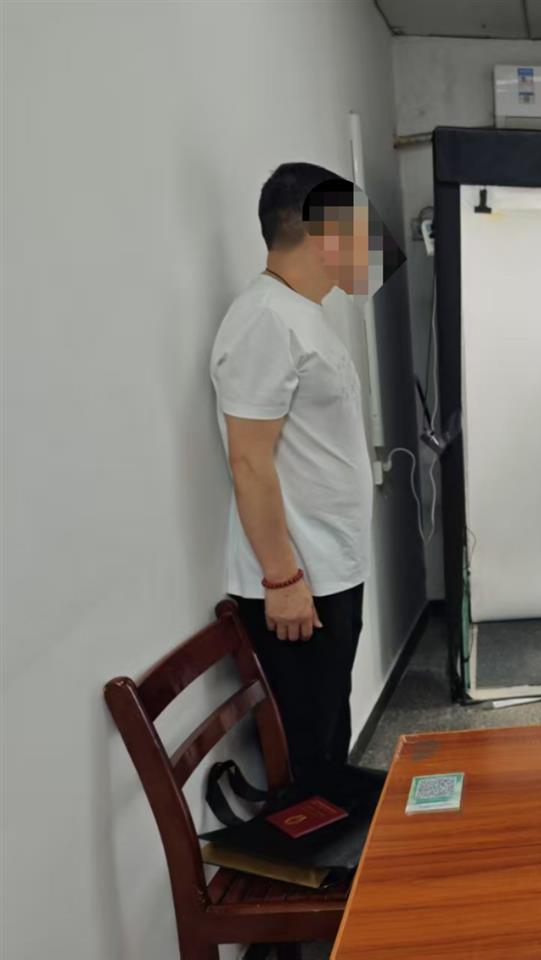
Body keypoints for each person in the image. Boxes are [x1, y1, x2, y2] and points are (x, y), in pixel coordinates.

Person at [210, 163, 374, 784]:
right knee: (305, 748)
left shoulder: (302, 312)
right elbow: (248, 460)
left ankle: (340, 828)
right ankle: (318, 841)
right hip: (296, 579)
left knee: (330, 727)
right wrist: (282, 578)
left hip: (332, 566)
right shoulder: (264, 319)